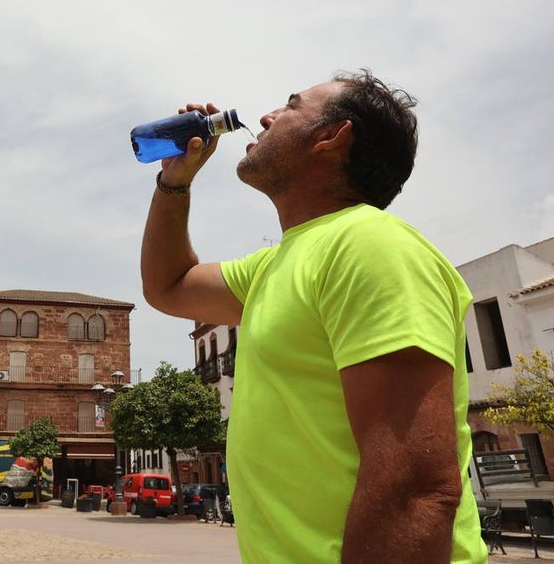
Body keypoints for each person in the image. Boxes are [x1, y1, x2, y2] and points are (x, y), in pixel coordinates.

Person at [140, 70, 485, 564]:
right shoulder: (273, 266)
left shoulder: (370, 245)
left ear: (331, 136)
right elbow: (168, 286)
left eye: (291, 106)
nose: (266, 117)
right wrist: (174, 181)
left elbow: (412, 490)